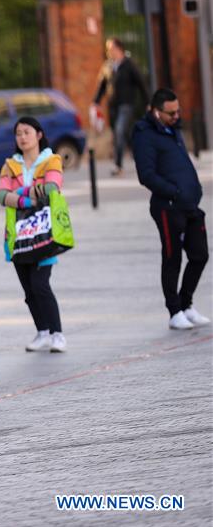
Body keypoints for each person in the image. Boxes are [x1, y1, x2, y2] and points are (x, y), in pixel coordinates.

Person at [133, 88, 209, 330]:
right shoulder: (144, 134)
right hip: (168, 207)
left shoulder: (173, 129)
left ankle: (186, 304)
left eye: (178, 110)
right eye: (171, 112)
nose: (177, 116)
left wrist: (192, 190)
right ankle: (174, 311)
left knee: (200, 255)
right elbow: (146, 175)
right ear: (156, 112)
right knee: (172, 256)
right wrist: (174, 192)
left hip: (189, 205)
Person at [0, 118, 67, 353]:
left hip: (43, 232)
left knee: (40, 284)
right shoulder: (10, 166)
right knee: (28, 289)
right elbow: (1, 195)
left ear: (39, 135)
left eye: (27, 132)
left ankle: (57, 333)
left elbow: (51, 188)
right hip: (17, 235)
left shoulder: (51, 161)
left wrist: (17, 195)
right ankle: (42, 332)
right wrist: (28, 198)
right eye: (18, 133)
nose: (22, 137)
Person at [91, 37, 150, 176]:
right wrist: (96, 102)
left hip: (127, 104)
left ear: (119, 49)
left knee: (119, 131)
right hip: (113, 106)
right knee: (126, 135)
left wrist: (148, 102)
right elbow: (102, 86)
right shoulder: (108, 66)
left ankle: (118, 166)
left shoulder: (129, 64)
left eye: (111, 48)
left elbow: (141, 83)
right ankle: (141, 160)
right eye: (108, 49)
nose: (109, 51)